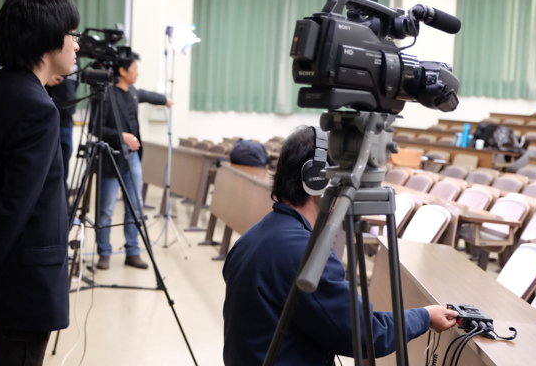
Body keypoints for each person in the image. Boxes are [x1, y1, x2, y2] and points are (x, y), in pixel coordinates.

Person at [222, 126, 458, 366]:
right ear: (316, 180)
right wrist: (425, 317)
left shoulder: (253, 237)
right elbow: (366, 336)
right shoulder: (304, 254)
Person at [0, 0, 79, 365]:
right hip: (22, 284)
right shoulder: (37, 107)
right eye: (71, 33)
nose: (76, 44)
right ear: (46, 37)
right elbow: (14, 205)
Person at [95, 52, 173, 270]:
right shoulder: (107, 94)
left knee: (135, 207)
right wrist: (122, 137)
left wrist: (165, 100)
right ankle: (104, 252)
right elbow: (96, 128)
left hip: (133, 160)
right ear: (123, 71)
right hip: (112, 158)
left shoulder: (133, 93)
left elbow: (149, 95)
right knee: (106, 209)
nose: (138, 72)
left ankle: (132, 251)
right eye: (135, 69)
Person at [45, 58, 81, 198]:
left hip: (66, 121)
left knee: (64, 163)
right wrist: (46, 77)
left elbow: (75, 85)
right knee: (48, 166)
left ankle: (63, 202)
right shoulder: (50, 51)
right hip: (48, 116)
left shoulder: (75, 59)